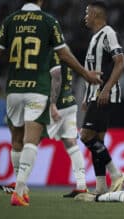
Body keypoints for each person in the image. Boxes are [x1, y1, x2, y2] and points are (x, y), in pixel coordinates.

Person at [0, 0, 102, 206]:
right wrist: (86, 74)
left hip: (13, 89)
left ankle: (21, 188)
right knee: (32, 141)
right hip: (37, 90)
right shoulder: (48, 21)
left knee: (16, 141)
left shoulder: (9, 21)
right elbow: (63, 55)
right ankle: (19, 190)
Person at [80, 1, 124, 194]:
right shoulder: (95, 37)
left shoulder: (108, 33)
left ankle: (116, 174)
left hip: (103, 95)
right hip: (94, 94)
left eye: (87, 12)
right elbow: (93, 69)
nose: (85, 16)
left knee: (86, 136)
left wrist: (106, 89)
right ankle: (100, 187)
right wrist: (86, 95)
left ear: (96, 15)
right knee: (98, 140)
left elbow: (120, 62)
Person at [47, 53, 88, 198]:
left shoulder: (52, 54)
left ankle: (19, 183)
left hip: (57, 105)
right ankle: (81, 185)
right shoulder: (67, 53)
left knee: (31, 138)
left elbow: (55, 79)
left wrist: (52, 104)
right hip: (70, 102)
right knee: (71, 143)